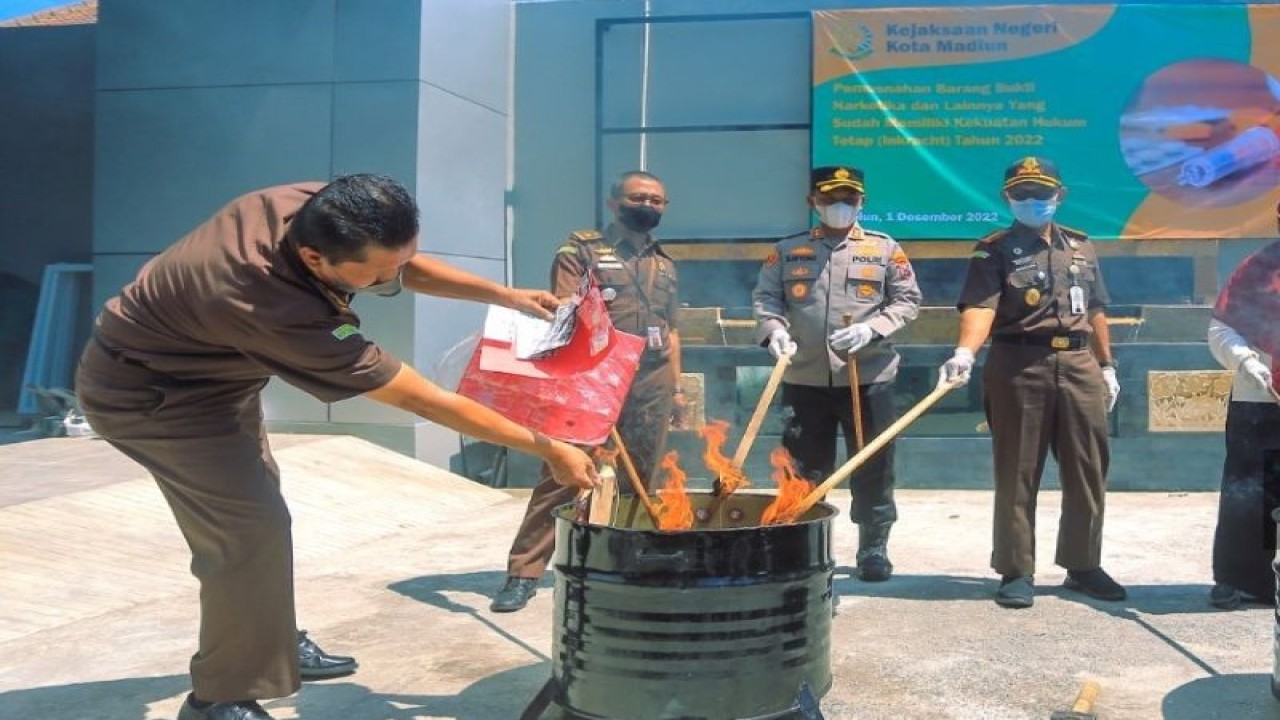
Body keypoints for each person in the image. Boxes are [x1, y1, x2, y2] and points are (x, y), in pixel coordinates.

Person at [74, 174, 598, 720]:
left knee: (258, 518)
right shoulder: (267, 300)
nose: (389, 280)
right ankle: (219, 697)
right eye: (374, 278)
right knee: (248, 528)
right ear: (314, 259)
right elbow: (421, 399)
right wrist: (547, 446)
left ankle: (267, 641)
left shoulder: (323, 210)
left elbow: (397, 262)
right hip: (153, 396)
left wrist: (504, 296)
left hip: (215, 375)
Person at [491, 170, 683, 612]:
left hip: (650, 380)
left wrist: (675, 390)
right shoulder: (581, 249)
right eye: (639, 198)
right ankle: (523, 573)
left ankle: (628, 563)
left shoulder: (665, 263)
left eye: (657, 200)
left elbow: (671, 331)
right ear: (615, 203)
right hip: (593, 377)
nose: (649, 206)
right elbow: (564, 310)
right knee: (563, 474)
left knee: (641, 477)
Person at [939, 156, 1126, 609]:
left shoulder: (1082, 246)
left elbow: (1096, 309)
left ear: (1059, 196)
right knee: (1018, 470)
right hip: (1019, 364)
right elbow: (980, 307)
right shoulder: (994, 248)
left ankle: (1083, 565)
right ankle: (1016, 569)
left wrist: (1107, 365)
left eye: (1041, 193)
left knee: (1088, 469)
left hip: (1079, 364)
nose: (1032, 201)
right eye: (1022, 194)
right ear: (1007, 198)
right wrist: (965, 351)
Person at [751, 165, 921, 582]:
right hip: (805, 378)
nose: (839, 206)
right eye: (829, 199)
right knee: (803, 469)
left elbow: (908, 300)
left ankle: (873, 546)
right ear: (813, 202)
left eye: (848, 199)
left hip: (868, 377)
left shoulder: (884, 249)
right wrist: (774, 332)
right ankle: (804, 545)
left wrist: (872, 328)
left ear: (862, 202)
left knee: (873, 465)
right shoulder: (788, 250)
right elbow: (766, 297)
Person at [1206, 220, 1280, 610]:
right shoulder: (1257, 268)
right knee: (1248, 493)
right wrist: (1244, 360)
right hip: (1261, 395)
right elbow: (1221, 330)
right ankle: (1239, 578)